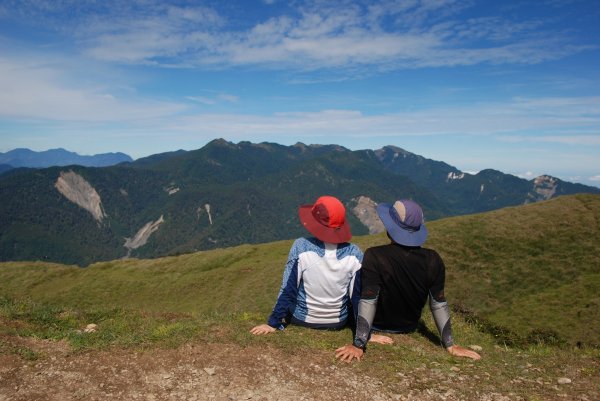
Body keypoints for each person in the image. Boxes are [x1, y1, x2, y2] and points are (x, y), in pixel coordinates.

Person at [335, 199, 481, 362]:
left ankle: (366, 333)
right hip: (408, 326)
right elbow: (438, 303)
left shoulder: (375, 255)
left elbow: (369, 299)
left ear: (391, 229)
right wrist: (450, 345)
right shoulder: (433, 259)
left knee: (359, 275)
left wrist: (359, 343)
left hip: (376, 324)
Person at [250, 195, 363, 335]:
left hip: (300, 318)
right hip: (337, 322)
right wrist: (365, 333)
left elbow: (288, 289)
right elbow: (357, 296)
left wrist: (273, 323)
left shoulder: (301, 246)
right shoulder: (354, 253)